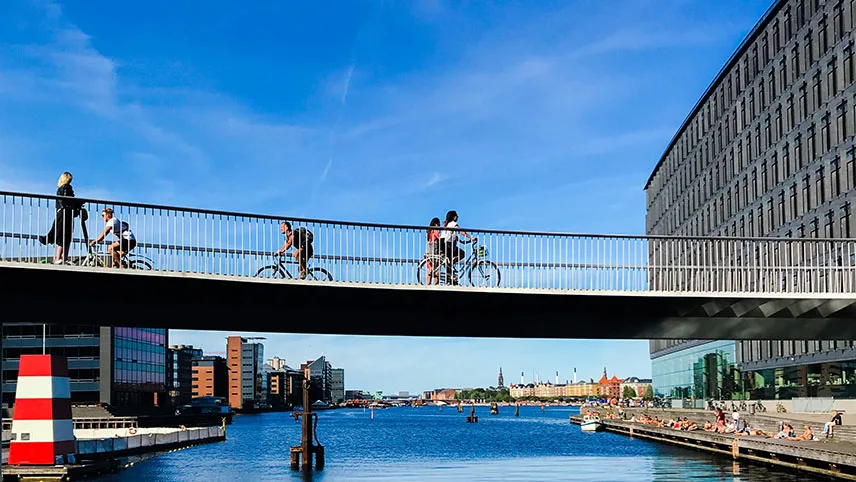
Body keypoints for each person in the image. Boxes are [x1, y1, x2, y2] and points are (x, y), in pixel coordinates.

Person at [39, 172, 83, 264]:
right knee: (65, 236)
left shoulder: (60, 188)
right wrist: (77, 204)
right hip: (66, 213)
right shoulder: (67, 187)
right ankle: (61, 258)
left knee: (64, 236)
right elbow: (68, 200)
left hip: (62, 213)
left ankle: (61, 258)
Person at [440, 210, 474, 284]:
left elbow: (455, 237)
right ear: (454, 217)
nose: (458, 217)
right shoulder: (453, 224)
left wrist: (464, 242)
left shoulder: (448, 224)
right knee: (462, 254)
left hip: (443, 243)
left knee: (450, 260)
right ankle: (450, 271)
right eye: (456, 216)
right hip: (446, 244)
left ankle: (450, 276)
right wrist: (471, 238)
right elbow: (461, 231)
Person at [425, 217, 441, 284]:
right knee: (437, 268)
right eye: (438, 223)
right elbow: (439, 237)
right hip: (434, 250)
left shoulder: (429, 231)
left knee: (430, 268)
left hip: (428, 250)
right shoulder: (435, 230)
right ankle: (436, 284)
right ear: (436, 223)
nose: (439, 225)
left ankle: (428, 284)